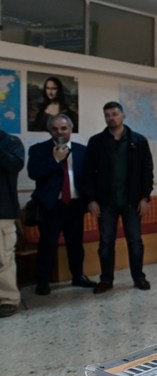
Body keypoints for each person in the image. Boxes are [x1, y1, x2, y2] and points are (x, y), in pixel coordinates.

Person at [83, 102, 154, 294]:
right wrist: (91, 199)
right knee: (106, 243)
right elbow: (87, 173)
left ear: (123, 116)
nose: (111, 118)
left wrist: (145, 198)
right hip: (106, 202)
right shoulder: (96, 142)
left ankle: (139, 277)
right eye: (107, 115)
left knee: (135, 241)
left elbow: (147, 171)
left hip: (132, 201)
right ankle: (106, 279)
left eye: (114, 114)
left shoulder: (138, 141)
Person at [27, 114, 97, 295]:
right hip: (51, 205)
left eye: (64, 128)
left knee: (75, 244)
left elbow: (89, 178)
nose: (60, 132)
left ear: (71, 129)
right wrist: (55, 159)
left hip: (75, 204)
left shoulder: (83, 150)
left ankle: (78, 276)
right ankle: (43, 282)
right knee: (47, 245)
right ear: (49, 130)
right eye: (55, 129)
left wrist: (91, 200)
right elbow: (34, 173)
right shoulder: (38, 149)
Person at [0, 129, 25, 318]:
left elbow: (15, 165)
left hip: (3, 211)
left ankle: (8, 299)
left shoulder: (10, 142)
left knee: (3, 259)